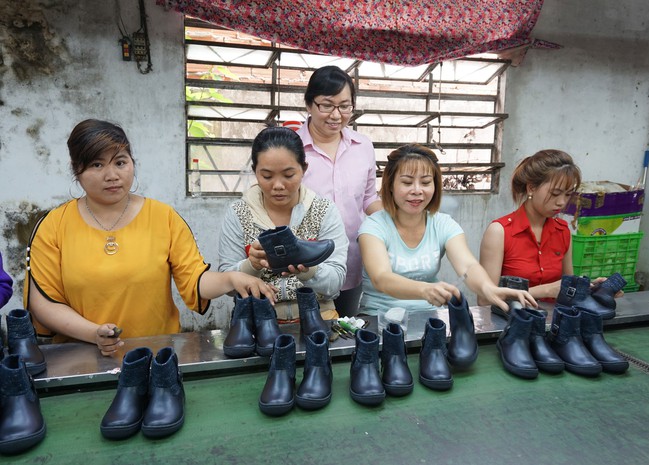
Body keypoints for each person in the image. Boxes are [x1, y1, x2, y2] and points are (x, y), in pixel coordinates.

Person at [24, 119, 275, 356]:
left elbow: (194, 281)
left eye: (120, 162)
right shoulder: (53, 226)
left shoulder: (163, 217)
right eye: (97, 165)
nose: (112, 175)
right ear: (76, 169)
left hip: (156, 355)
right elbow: (44, 304)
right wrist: (93, 334)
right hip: (80, 358)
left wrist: (232, 278)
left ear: (132, 162)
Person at [358, 144, 535, 314]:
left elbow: (468, 265)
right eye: (407, 182)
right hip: (379, 317)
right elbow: (381, 278)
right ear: (390, 185)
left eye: (426, 182)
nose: (417, 190)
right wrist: (424, 290)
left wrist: (488, 288)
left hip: (429, 318)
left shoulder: (443, 224)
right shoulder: (374, 226)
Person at [218, 126, 349, 321]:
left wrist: (309, 269)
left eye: (288, 175)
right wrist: (251, 265)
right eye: (267, 176)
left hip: (319, 318)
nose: (278, 185)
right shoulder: (239, 213)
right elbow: (226, 285)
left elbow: (336, 281)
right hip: (257, 321)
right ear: (255, 172)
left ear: (304, 169)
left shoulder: (323, 210)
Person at [298, 65, 382, 316]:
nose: (336, 115)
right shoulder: (291, 146)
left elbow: (369, 198)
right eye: (327, 105)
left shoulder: (363, 146)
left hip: (351, 260)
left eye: (345, 106)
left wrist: (397, 221)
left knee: (344, 332)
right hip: (303, 265)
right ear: (309, 104)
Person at [478, 149, 581, 303]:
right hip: (512, 322)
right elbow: (485, 300)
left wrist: (593, 288)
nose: (561, 202)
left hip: (553, 323)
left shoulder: (562, 230)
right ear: (531, 188)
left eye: (567, 194)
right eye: (555, 193)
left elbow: (568, 288)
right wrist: (544, 290)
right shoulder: (500, 232)